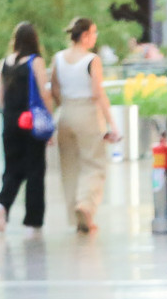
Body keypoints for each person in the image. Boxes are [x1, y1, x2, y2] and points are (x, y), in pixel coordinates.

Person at [49, 17, 121, 233]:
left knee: (69, 167)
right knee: (94, 164)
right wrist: (112, 124)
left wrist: (64, 106)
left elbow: (54, 89)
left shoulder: (58, 58)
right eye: (94, 32)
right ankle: (86, 206)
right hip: (88, 113)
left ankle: (75, 215)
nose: (95, 37)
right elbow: (98, 94)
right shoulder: (92, 60)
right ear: (85, 35)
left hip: (65, 114)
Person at [0, 22, 54, 234]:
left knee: (12, 168)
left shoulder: (4, 63)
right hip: (31, 122)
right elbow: (44, 93)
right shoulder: (35, 61)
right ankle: (33, 221)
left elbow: (0, 96)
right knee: (35, 170)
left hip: (10, 121)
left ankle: (2, 203)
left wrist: (10, 114)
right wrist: (49, 118)